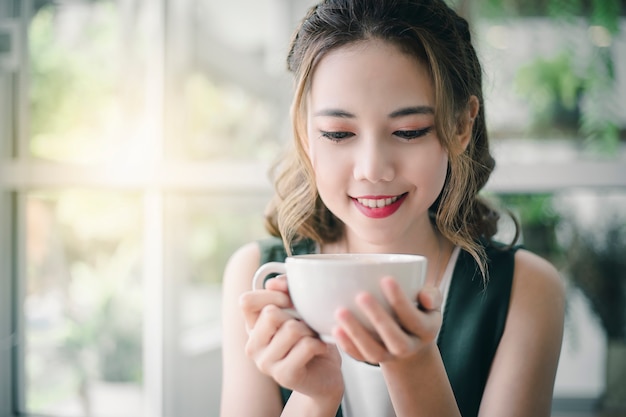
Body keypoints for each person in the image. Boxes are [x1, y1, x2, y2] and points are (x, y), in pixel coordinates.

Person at [220, 0, 565, 416]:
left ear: (461, 126)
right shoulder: (255, 276)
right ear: (304, 134)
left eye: (408, 131)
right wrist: (314, 397)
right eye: (337, 133)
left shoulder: (525, 290)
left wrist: (413, 366)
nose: (373, 170)